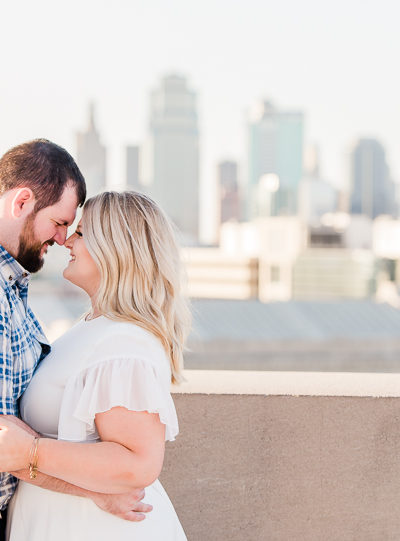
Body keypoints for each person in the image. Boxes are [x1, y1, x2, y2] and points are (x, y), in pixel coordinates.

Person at [0, 190, 190, 540]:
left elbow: (138, 463)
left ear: (116, 248)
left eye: (82, 232)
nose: (68, 240)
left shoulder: (123, 342)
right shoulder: (94, 327)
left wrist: (29, 450)